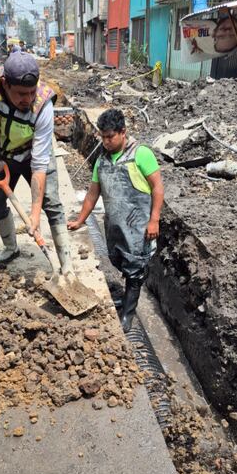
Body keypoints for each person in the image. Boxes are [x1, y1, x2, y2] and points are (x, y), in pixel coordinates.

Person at [0, 52, 71, 271]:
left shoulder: (44, 104)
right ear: (5, 84)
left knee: (51, 204)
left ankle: (67, 267)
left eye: (32, 92)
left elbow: (40, 165)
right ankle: (11, 247)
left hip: (34, 153)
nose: (29, 98)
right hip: (2, 153)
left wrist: (34, 215)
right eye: (22, 94)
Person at [67, 109, 164, 331]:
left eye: (110, 137)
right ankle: (127, 298)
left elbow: (158, 187)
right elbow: (93, 193)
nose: (106, 141)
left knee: (135, 269)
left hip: (137, 227)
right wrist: (81, 219)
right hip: (114, 226)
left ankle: (128, 314)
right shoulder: (102, 159)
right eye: (102, 136)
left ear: (123, 132)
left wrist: (154, 220)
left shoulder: (141, 155)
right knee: (118, 260)